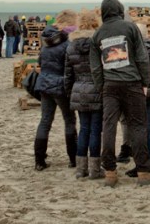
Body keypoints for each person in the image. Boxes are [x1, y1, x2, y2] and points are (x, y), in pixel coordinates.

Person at [89, 0, 150, 187]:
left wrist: (101, 86)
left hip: (110, 85)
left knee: (108, 127)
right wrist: (145, 81)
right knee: (138, 126)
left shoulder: (98, 34)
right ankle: (143, 171)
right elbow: (142, 57)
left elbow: (95, 67)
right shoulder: (130, 27)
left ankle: (110, 172)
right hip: (132, 83)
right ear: (120, 10)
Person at [65, 10, 105, 179]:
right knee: (96, 130)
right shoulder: (99, 43)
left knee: (84, 129)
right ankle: (95, 169)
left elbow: (67, 73)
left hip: (79, 88)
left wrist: (69, 92)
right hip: (96, 89)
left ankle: (81, 169)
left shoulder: (71, 45)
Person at [33, 25, 77, 171]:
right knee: (69, 120)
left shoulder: (45, 48)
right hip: (60, 86)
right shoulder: (66, 46)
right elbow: (70, 67)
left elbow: (40, 64)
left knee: (45, 121)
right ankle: (73, 158)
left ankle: (39, 160)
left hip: (45, 85)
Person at [126, 24, 150, 178]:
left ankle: (141, 162)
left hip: (139, 90)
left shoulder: (137, 50)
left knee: (137, 128)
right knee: (147, 127)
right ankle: (149, 160)